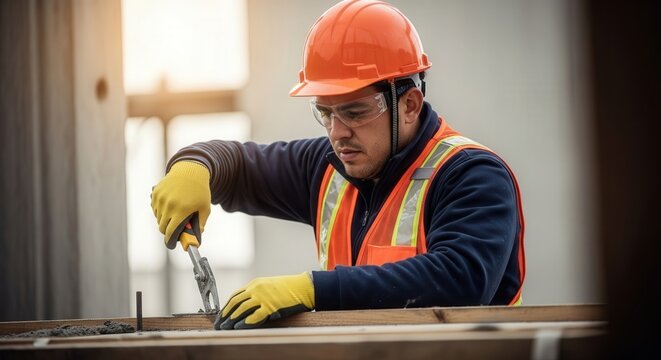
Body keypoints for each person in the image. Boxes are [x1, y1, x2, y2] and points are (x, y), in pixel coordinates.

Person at [151, 0, 525, 330]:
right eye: (325, 113)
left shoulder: (472, 175)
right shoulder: (330, 165)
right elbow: (238, 166)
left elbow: (460, 280)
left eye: (355, 112)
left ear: (409, 105)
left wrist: (312, 289)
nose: (337, 133)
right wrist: (194, 166)